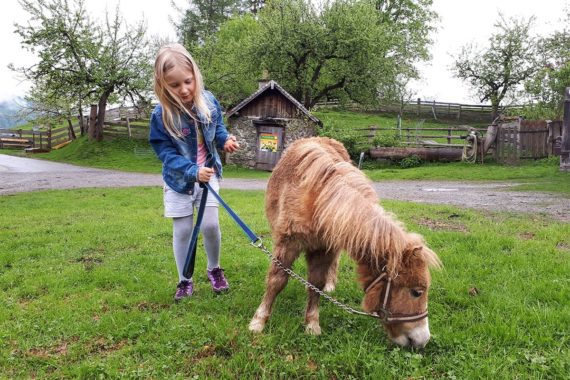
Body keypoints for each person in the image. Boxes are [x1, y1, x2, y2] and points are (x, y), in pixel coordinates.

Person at [149, 44, 239, 302]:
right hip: (179, 181)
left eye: (188, 81)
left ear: (195, 76)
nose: (184, 89)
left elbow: (217, 127)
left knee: (210, 225)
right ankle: (184, 279)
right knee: (183, 231)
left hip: (208, 176)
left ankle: (214, 269)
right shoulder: (161, 115)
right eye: (175, 85)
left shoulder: (208, 100)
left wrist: (225, 141)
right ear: (163, 85)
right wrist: (191, 170)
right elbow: (165, 153)